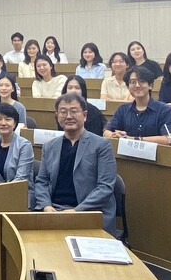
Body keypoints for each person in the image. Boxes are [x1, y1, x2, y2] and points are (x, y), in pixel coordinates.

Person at [35, 93, 119, 238]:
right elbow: (41, 181)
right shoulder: (49, 146)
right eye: (63, 112)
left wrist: (77, 211)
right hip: (54, 211)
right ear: (57, 116)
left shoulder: (102, 145)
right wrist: (46, 206)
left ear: (84, 115)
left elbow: (105, 187)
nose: (68, 116)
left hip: (88, 213)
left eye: (74, 111)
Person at [104, 66, 171, 146]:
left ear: (150, 85)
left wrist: (134, 140)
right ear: (128, 87)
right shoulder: (123, 109)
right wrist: (116, 136)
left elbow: (169, 139)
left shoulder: (165, 110)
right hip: (127, 156)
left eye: (142, 81)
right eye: (132, 82)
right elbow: (106, 132)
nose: (137, 85)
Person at [0, 103, 35, 209]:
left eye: (8, 119)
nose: (3, 123)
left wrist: (0, 194)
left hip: (20, 197)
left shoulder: (24, 145)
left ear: (15, 123)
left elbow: (21, 179)